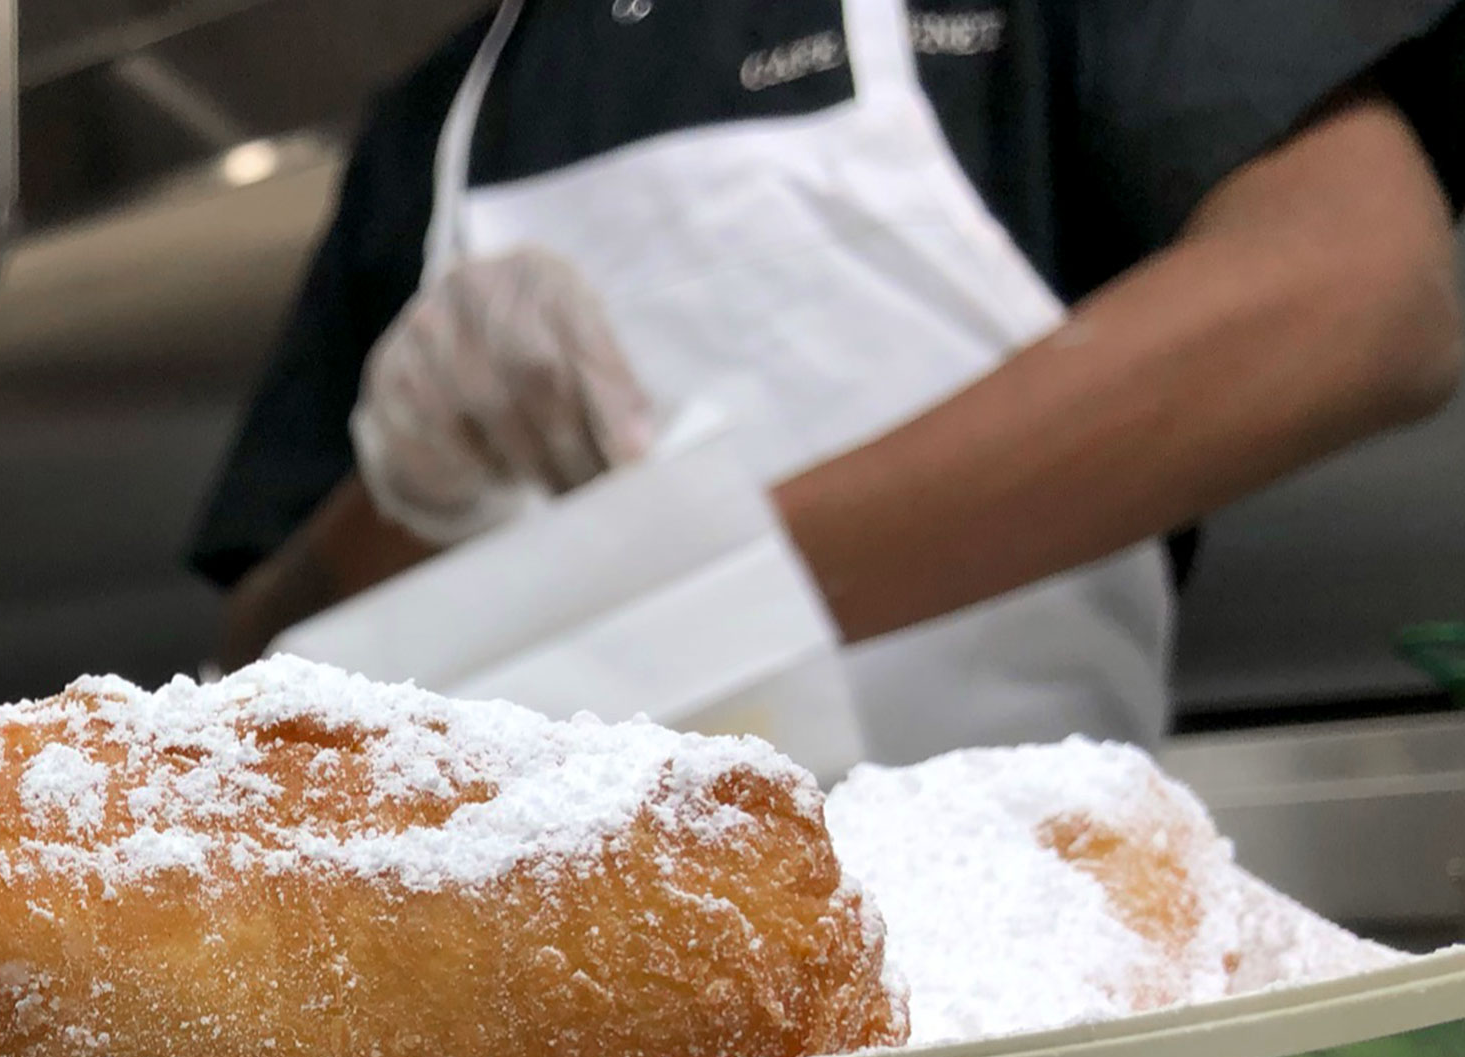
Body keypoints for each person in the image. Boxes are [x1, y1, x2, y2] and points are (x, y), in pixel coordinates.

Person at [191, 2, 1465, 761]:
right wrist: (415, 482)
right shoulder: (438, 111)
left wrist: (688, 601)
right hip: (525, 993)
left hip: (1003, 950)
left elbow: (1356, 295)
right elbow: (263, 655)